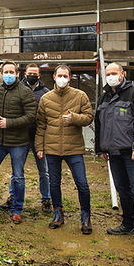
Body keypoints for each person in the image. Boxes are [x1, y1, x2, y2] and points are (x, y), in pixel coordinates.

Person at [96, 62, 134, 247]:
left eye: (114, 72)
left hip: (131, 153)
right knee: (122, 189)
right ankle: (128, 224)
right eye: (108, 73)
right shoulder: (104, 96)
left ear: (123, 74)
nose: (111, 76)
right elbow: (99, 124)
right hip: (112, 153)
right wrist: (100, 148)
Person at [36, 64, 94, 234]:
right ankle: (58, 213)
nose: (62, 79)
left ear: (69, 78)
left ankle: (85, 216)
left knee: (82, 183)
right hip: (52, 149)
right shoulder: (46, 99)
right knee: (54, 183)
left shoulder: (80, 96)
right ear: (54, 77)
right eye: (59, 75)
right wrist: (40, 146)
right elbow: (41, 125)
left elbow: (89, 117)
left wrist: (74, 118)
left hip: (73, 148)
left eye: (65, 76)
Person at [0, 61, 37, 224]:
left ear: (17, 74)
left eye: (11, 72)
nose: (8, 74)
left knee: (18, 177)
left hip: (19, 143)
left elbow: (31, 116)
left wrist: (10, 123)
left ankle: (17, 210)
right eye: (5, 72)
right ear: (1, 73)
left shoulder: (25, 92)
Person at [0, 63, 52, 214]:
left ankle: (46, 198)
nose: (32, 76)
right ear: (24, 74)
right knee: (17, 170)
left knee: (43, 170)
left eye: (35, 73)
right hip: (20, 137)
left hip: (38, 136)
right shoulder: (17, 89)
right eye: (29, 73)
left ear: (39, 75)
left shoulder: (45, 93)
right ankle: (12, 197)